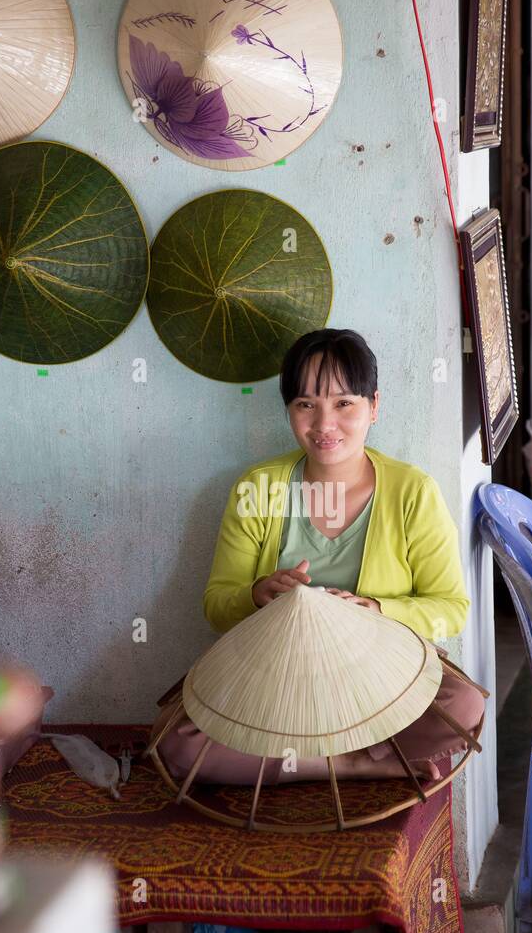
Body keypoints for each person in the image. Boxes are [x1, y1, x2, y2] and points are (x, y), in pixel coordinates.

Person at [150, 329, 486, 785]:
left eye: (344, 403)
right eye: (306, 404)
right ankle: (351, 763)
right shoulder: (260, 489)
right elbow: (216, 604)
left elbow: (450, 609)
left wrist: (379, 610)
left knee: (464, 705)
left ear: (374, 406)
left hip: (376, 682)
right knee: (177, 742)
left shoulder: (412, 491)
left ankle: (326, 755)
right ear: (289, 410)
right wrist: (256, 595)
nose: (325, 424)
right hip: (276, 678)